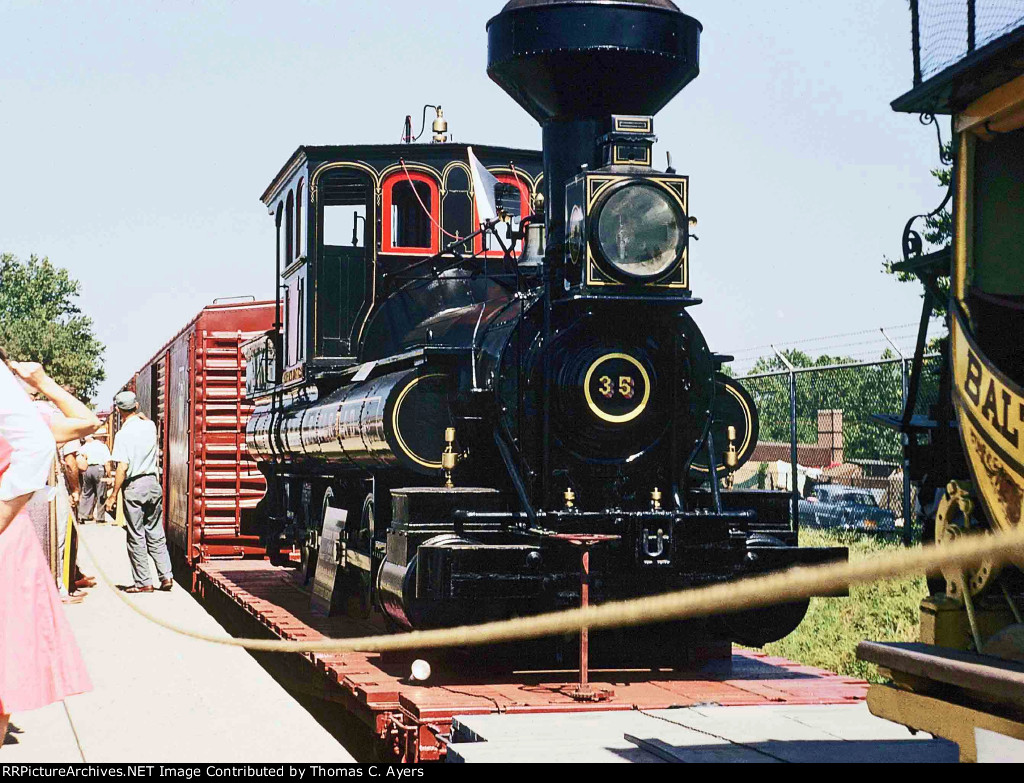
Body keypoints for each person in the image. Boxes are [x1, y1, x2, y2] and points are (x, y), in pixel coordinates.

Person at [0, 353, 92, 747]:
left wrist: (41, 384)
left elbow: (89, 422)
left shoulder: (25, 417)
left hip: (13, 515)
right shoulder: (25, 416)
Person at [105, 391, 173, 593]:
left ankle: (144, 582)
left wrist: (113, 494)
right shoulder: (150, 426)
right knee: (155, 531)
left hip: (135, 487)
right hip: (153, 484)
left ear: (118, 410)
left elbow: (123, 467)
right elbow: (147, 420)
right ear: (136, 406)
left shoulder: (122, 434)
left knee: (136, 535)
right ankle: (166, 576)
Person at [77, 433, 112, 522]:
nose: (105, 439)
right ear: (101, 437)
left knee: (87, 492)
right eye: (104, 437)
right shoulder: (103, 447)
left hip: (88, 469)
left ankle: (83, 515)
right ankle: (100, 517)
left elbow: (81, 455)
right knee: (101, 494)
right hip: (99, 469)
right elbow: (107, 463)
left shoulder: (87, 446)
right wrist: (109, 476)